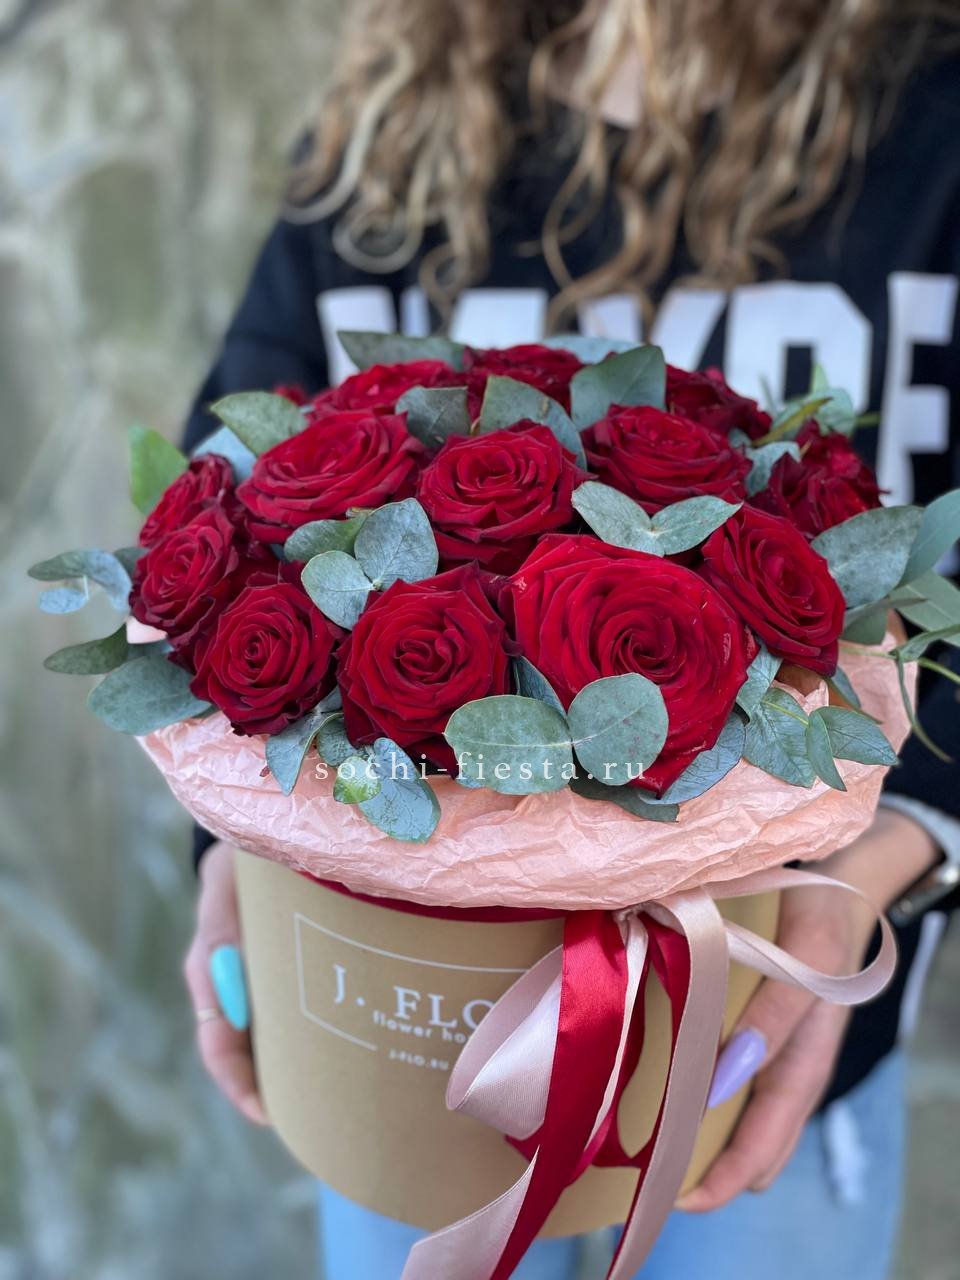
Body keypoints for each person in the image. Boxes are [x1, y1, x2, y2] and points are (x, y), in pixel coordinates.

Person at [180, 3, 960, 1277]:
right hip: (400, 1027)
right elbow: (220, 525)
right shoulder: (388, 138)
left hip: (759, 1021)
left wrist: (872, 869)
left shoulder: (932, 117)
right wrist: (237, 839)